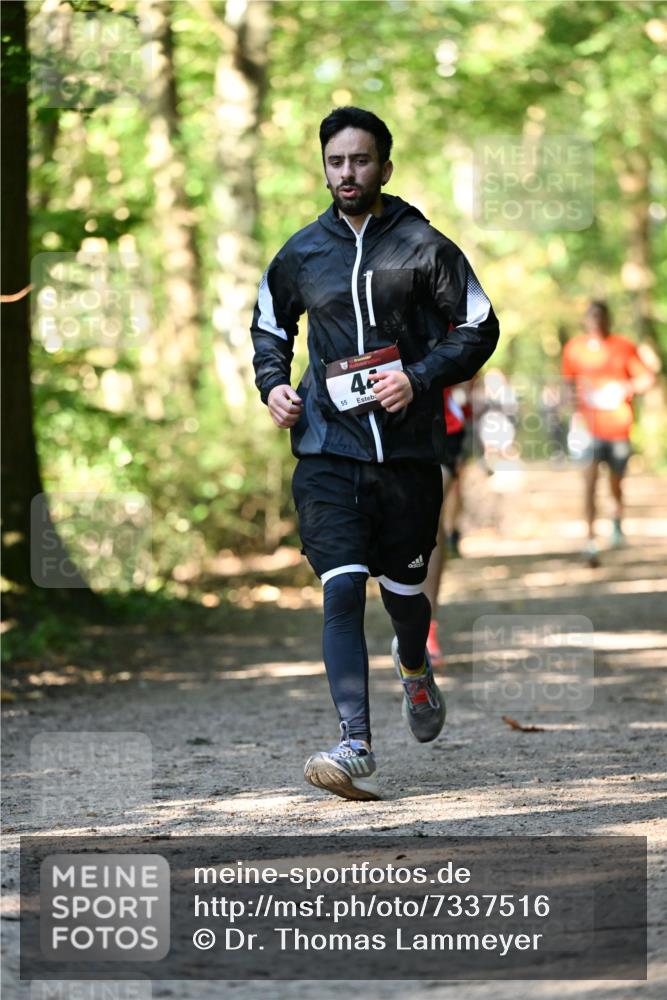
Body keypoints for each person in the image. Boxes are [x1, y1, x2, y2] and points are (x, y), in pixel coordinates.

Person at [251, 107, 499, 801]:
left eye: (360, 161)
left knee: (403, 598)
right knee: (339, 587)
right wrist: (273, 385)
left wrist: (416, 376)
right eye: (335, 162)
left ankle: (414, 666)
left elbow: (479, 326)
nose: (347, 173)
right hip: (328, 448)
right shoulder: (301, 252)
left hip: (408, 454)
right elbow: (270, 324)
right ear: (323, 167)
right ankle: (354, 740)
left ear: (384, 168)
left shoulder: (424, 247)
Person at [561, 300, 655, 567]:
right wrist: (571, 409)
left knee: (616, 482)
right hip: (587, 429)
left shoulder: (624, 347)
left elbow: (647, 379)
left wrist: (624, 388)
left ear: (608, 319)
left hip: (618, 427)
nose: (596, 321)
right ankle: (590, 538)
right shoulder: (574, 349)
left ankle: (616, 519)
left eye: (601, 316)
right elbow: (566, 384)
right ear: (585, 320)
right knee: (588, 483)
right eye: (592, 317)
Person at [422, 380, 475, 667]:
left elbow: (470, 348)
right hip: (376, 420)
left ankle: (427, 628)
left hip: (439, 421)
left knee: (430, 510)